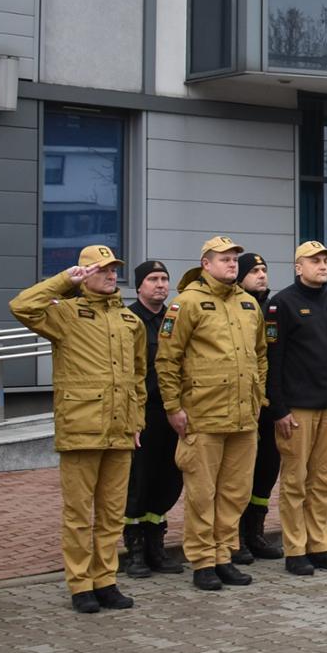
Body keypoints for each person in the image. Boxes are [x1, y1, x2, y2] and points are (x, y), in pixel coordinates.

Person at [9, 245, 147, 614]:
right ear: (84, 273)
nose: (110, 275)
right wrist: (62, 281)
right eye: (101, 269)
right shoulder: (65, 315)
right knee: (78, 514)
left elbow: (138, 378)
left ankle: (106, 580)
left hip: (120, 430)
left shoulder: (129, 320)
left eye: (113, 269)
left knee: (111, 514)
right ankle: (80, 584)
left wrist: (137, 421)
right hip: (82, 427)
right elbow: (21, 306)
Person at [155, 236, 268, 590]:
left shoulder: (249, 304)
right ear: (206, 263)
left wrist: (258, 395)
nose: (233, 263)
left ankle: (224, 555)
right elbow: (167, 360)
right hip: (203, 416)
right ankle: (203, 561)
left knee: (235, 492)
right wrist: (173, 406)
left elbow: (261, 355)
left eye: (235, 258)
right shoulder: (186, 303)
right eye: (224, 259)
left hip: (243, 417)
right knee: (202, 494)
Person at [264, 242, 327, 574]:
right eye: (314, 261)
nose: (323, 265)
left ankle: (320, 545)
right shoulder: (281, 305)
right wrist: (279, 409)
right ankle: (295, 549)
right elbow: (273, 361)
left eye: (325, 260)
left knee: (324, 479)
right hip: (297, 409)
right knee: (295, 481)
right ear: (298, 267)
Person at [122, 260, 184, 578]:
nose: (160, 284)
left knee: (168, 480)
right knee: (138, 481)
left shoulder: (174, 318)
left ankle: (156, 547)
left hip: (172, 413)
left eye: (164, 279)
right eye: (153, 279)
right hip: (142, 414)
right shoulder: (128, 318)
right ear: (139, 286)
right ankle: (134, 551)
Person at [231, 253, 283, 566]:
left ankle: (255, 532)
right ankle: (233, 537)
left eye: (264, 270)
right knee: (239, 476)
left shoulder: (275, 308)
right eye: (254, 271)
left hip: (271, 405)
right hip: (241, 404)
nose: (262, 275)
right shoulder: (235, 307)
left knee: (266, 472)